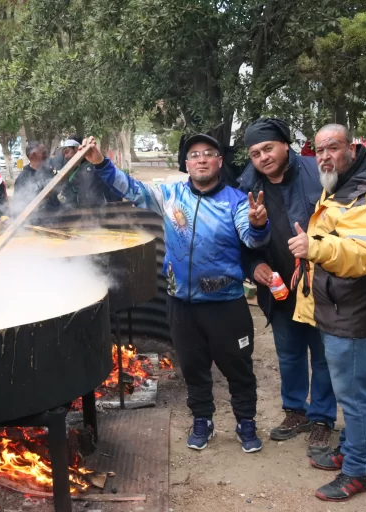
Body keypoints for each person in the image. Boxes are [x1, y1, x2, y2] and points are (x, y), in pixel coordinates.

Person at [81, 133, 271, 454]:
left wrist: (258, 224)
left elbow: (252, 241)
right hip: (181, 304)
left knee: (238, 367)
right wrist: (100, 162)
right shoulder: (169, 195)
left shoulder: (237, 201)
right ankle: (202, 420)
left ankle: (246, 423)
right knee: (193, 367)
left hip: (226, 305)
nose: (201, 159)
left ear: (219, 161)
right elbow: (130, 188)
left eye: (208, 153)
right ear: (186, 164)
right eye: (194, 155)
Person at [290, 124, 366, 501]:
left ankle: (357, 470)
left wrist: (313, 248)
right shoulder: (341, 184)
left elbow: (360, 257)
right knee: (346, 387)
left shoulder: (364, 199)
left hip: (353, 309)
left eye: (332, 148)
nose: (324, 156)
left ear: (351, 149)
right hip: (340, 304)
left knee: (352, 394)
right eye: (318, 149)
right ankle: (350, 449)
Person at [237, 118, 336, 457]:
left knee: (323, 354)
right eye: (254, 153)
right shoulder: (245, 188)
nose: (262, 157)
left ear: (284, 144)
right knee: (289, 353)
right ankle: (295, 411)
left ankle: (322, 419)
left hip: (322, 283)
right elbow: (242, 242)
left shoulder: (317, 171)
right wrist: (255, 266)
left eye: (267, 148)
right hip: (279, 287)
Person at [54, 137, 119, 208]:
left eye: (67, 151)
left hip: (102, 210)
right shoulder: (70, 173)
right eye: (64, 155)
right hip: (84, 214)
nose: (65, 156)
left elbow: (114, 186)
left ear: (76, 149)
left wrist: (114, 209)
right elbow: (70, 197)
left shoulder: (95, 165)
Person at [13, 142, 60, 213]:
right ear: (33, 155)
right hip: (35, 220)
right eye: (43, 153)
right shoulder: (23, 178)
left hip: (56, 217)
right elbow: (19, 204)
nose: (46, 156)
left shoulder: (49, 172)